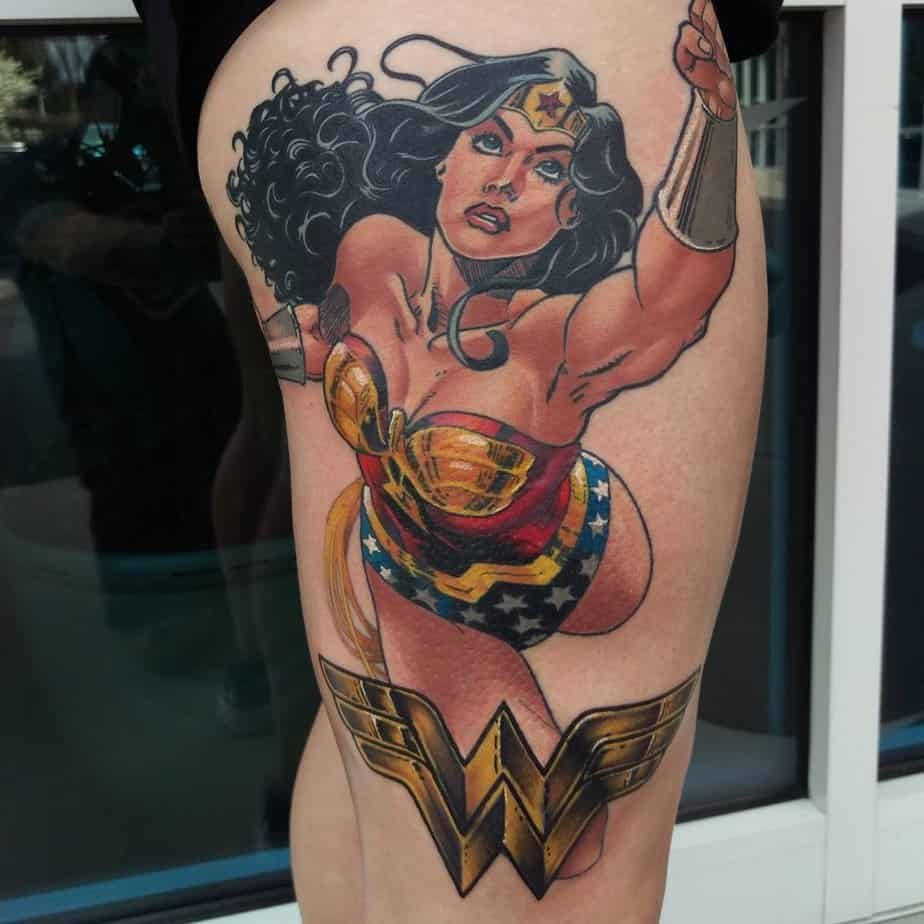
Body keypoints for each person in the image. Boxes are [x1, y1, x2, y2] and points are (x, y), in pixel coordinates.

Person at [138, 0, 779, 919]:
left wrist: (710, 120)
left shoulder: (550, 342)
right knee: (424, 785)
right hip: (410, 560)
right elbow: (311, 342)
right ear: (443, 153)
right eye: (488, 142)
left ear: (570, 211)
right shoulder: (374, 252)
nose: (507, 179)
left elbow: (671, 295)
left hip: (574, 567)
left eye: (548, 167)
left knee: (548, 854)